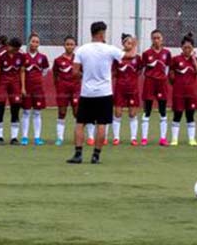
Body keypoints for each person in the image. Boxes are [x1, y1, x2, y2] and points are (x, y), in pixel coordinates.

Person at [67, 21, 124, 165]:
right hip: (104, 92)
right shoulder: (109, 49)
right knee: (102, 124)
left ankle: (78, 154)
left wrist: (85, 76)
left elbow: (74, 72)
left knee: (80, 123)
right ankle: (95, 156)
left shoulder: (82, 50)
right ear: (101, 33)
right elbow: (128, 56)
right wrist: (133, 44)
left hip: (87, 92)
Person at [169, 33, 197, 147]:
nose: (187, 50)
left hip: (191, 93)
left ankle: (191, 139)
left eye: (189, 48)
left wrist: (194, 60)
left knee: (190, 116)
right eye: (185, 47)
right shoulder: (175, 59)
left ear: (193, 48)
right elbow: (171, 76)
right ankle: (174, 139)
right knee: (177, 115)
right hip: (179, 93)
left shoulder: (195, 59)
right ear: (181, 48)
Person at [141, 29, 171, 147]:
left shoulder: (167, 53)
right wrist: (151, 76)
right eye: (154, 38)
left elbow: (167, 67)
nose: (156, 40)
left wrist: (163, 77)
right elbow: (143, 70)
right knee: (147, 110)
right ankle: (144, 138)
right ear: (151, 39)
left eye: (158, 38)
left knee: (162, 110)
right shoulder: (146, 53)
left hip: (161, 83)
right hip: (149, 82)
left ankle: (163, 138)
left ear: (162, 39)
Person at [112, 34, 142, 146]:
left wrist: (132, 80)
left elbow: (139, 71)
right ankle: (116, 138)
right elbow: (114, 72)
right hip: (120, 88)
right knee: (118, 112)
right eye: (127, 43)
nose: (130, 45)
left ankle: (133, 138)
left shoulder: (137, 58)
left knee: (132, 113)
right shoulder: (118, 57)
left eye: (131, 43)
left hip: (133, 89)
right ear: (123, 44)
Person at [21, 33, 49, 146]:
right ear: (29, 42)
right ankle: (24, 137)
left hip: (38, 88)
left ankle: (37, 137)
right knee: (26, 112)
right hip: (27, 88)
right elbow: (22, 72)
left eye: (37, 42)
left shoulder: (43, 57)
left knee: (37, 112)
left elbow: (45, 71)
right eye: (33, 41)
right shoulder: (24, 57)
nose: (35, 44)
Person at [53, 36, 80, 147]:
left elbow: (83, 73)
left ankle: (77, 136)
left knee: (76, 113)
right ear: (64, 45)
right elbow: (55, 75)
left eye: (72, 44)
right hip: (63, 89)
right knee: (62, 113)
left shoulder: (78, 60)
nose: (69, 46)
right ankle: (60, 138)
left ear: (75, 46)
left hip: (75, 89)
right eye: (67, 44)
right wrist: (58, 86)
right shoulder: (58, 60)